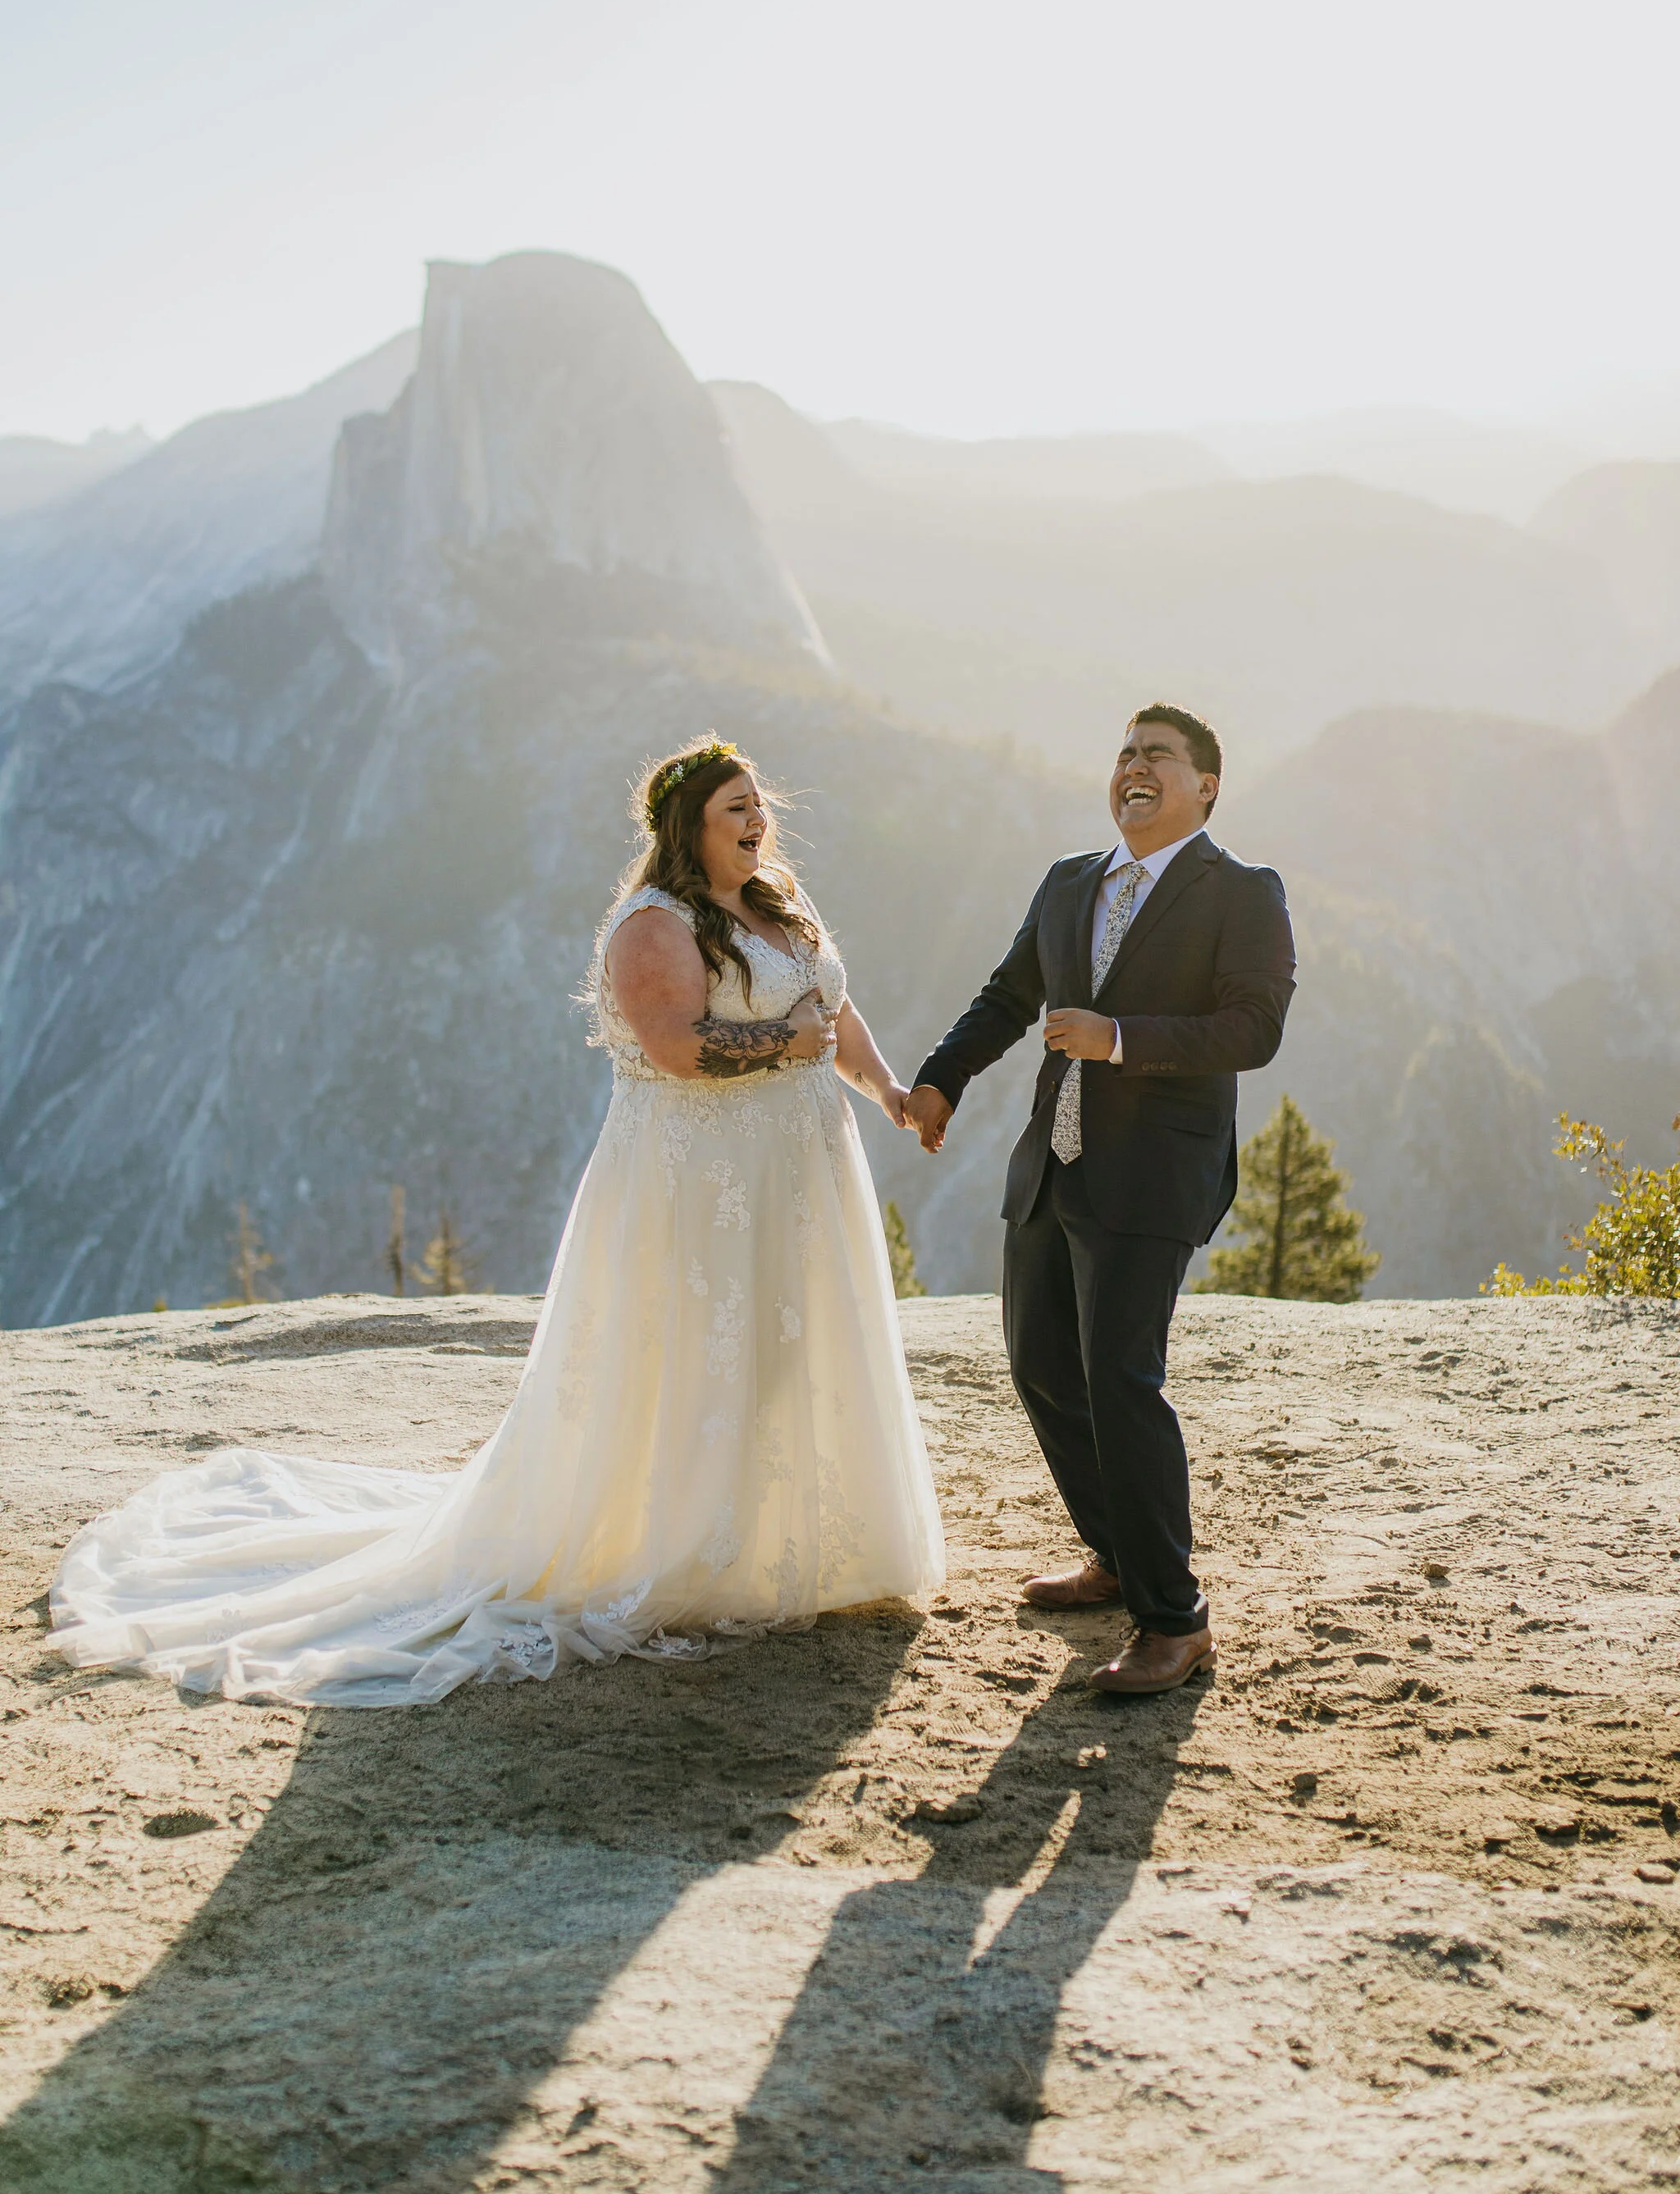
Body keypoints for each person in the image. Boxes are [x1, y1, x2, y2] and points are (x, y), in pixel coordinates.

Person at [48, 737, 944, 1706]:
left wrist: (887, 1089)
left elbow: (833, 1014)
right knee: (697, 1354)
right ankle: (690, 1550)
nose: (757, 818)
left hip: (798, 1175)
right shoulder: (653, 926)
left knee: (787, 1350)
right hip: (701, 1185)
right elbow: (679, 1048)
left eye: (759, 803)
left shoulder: (776, 905)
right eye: (735, 807)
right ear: (690, 827)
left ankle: (786, 1541)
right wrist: (784, 1038)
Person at [906, 704, 1294, 1695]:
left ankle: (1174, 1619)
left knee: (1120, 1380)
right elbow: (1005, 997)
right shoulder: (1069, 881)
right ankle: (1115, 1556)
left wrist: (1116, 1037)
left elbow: (1251, 1030)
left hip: (1153, 1173)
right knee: (1039, 1365)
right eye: (1123, 753)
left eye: (1157, 755)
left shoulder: (1242, 891)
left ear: (1205, 785)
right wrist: (941, 1080)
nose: (1133, 766)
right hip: (1054, 1164)